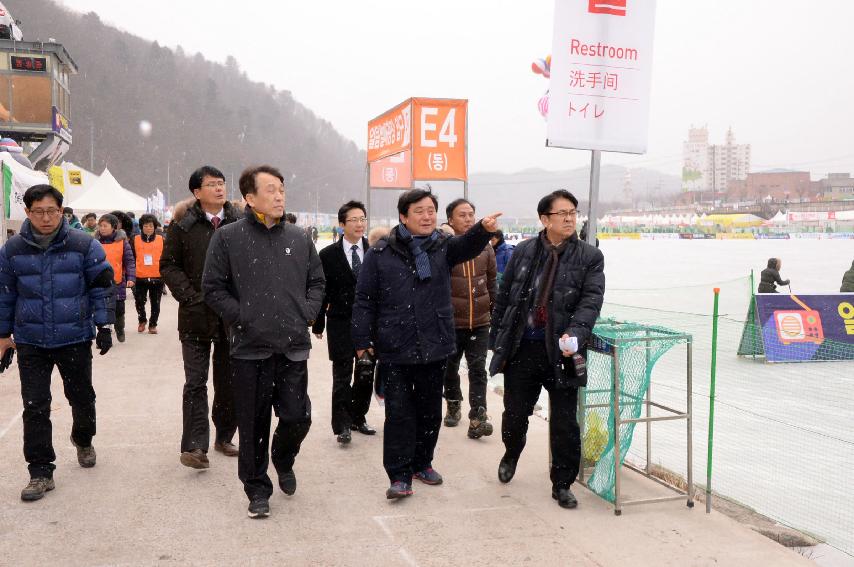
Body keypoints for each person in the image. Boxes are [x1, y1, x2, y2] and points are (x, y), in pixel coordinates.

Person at [351, 188, 501, 500]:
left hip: (435, 345)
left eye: (431, 210)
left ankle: (423, 463)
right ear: (403, 217)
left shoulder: (443, 246)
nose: (427, 216)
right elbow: (364, 300)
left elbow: (467, 246)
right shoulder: (381, 253)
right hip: (395, 348)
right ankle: (399, 475)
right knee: (400, 414)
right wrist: (362, 341)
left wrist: (481, 230)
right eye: (419, 210)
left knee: (431, 412)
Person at [203, 164, 325, 519]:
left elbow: (317, 282)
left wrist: (308, 312)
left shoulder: (300, 238)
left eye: (282, 189)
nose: (279, 195)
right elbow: (212, 288)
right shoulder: (228, 237)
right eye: (270, 189)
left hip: (292, 346)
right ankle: (257, 489)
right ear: (249, 197)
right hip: (249, 349)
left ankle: (283, 457)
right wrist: (243, 317)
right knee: (253, 422)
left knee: (297, 416)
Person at [489, 189, 605, 510]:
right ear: (544, 219)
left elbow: (590, 302)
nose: (569, 218)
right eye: (562, 213)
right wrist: (496, 339)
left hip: (563, 353)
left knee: (565, 423)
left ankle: (563, 483)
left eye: (573, 212)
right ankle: (511, 453)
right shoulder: (523, 252)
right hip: (523, 348)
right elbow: (505, 299)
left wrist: (575, 335)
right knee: (514, 415)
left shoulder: (590, 257)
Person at [0, 184, 114, 502]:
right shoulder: (12, 250)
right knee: (35, 405)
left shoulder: (83, 245)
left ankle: (83, 437)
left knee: (81, 397)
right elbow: (4, 295)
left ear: (62, 212)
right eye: (38, 211)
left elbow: (101, 285)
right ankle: (40, 471)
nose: (46, 218)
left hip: (74, 337)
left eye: (52, 211)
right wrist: (3, 336)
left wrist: (104, 324)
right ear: (27, 212)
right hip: (31, 341)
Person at [160, 165, 240, 469]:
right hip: (195, 315)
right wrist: (191, 296)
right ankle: (194, 446)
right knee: (196, 381)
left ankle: (224, 436)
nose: (219, 189)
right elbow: (168, 265)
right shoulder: (182, 226)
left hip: (231, 316)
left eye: (222, 183)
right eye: (212, 184)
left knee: (228, 379)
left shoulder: (240, 223)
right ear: (197, 192)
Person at [312, 200, 375, 445]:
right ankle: (342, 425)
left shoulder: (374, 251)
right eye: (354, 220)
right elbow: (322, 290)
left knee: (365, 374)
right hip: (339, 321)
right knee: (341, 375)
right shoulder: (328, 255)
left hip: (368, 323)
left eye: (362, 219)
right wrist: (317, 323)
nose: (359, 224)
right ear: (341, 225)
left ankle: (359, 417)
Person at [442, 198, 497, 440]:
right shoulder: (445, 246)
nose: (467, 219)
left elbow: (493, 282)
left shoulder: (486, 246)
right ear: (450, 220)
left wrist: (496, 310)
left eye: (471, 215)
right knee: (449, 368)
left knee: (478, 370)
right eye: (462, 215)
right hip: (451, 323)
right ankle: (453, 403)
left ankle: (478, 417)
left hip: (480, 321)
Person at [97, 214, 135, 343]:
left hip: (117, 282)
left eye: (105, 226)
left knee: (119, 310)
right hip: (99, 282)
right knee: (101, 309)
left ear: (114, 227)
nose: (102, 228)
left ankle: (120, 328)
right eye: (100, 225)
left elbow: (129, 261)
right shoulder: (94, 242)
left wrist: (131, 277)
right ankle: (104, 334)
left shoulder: (122, 243)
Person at [133, 214, 165, 334]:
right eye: (146, 226)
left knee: (155, 303)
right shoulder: (135, 239)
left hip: (157, 276)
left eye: (151, 226)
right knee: (139, 301)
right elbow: (131, 258)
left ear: (155, 227)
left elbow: (166, 258)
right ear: (141, 227)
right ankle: (142, 320)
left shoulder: (161, 239)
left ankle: (153, 324)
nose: (148, 228)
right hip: (140, 276)